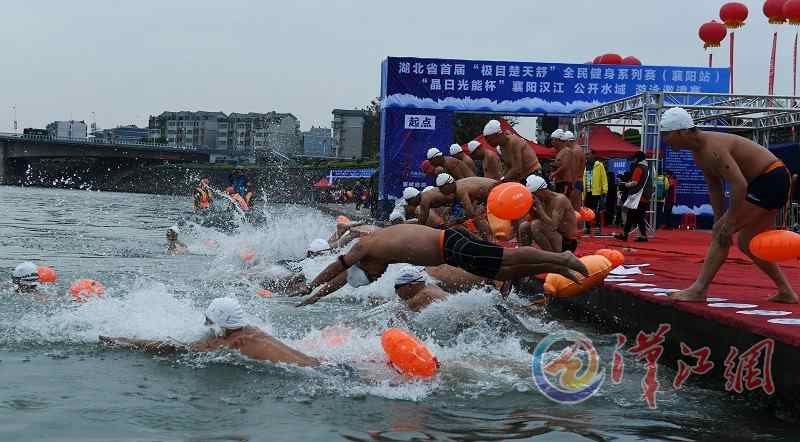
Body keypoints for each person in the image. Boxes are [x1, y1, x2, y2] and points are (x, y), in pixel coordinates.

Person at [659, 107, 797, 303]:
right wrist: (718, 219)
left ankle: (699, 290)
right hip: (770, 179)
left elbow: (739, 184)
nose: (665, 140)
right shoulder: (699, 152)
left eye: (667, 135)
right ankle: (786, 291)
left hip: (770, 179)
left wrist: (729, 221)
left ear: (682, 132)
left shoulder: (712, 148)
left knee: (723, 231)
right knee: (746, 242)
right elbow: (714, 187)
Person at [293, 224, 589, 306]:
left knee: (506, 259)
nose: (379, 276)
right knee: (503, 270)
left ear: (366, 268)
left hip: (449, 245)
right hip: (451, 247)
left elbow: (336, 268)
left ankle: (560, 258)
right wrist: (314, 298)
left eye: (373, 277)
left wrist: (309, 286)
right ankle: (557, 266)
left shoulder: (364, 248)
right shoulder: (373, 251)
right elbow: (342, 278)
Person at [100, 297, 320, 366]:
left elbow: (171, 347)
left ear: (220, 324)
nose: (206, 325)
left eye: (208, 321)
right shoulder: (253, 330)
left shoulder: (227, 344)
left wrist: (126, 341)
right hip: (319, 363)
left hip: (312, 375)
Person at [519, 175, 579, 253]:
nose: (533, 197)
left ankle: (553, 256)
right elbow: (532, 219)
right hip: (556, 237)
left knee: (536, 225)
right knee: (524, 226)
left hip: (567, 243)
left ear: (541, 191)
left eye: (533, 194)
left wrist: (539, 209)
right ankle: (526, 254)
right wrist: (531, 208)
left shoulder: (559, 200)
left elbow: (554, 225)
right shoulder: (541, 200)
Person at [436, 174, 497, 240]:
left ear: (447, 185)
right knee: (477, 214)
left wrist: (457, 221)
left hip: (496, 191)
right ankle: (489, 236)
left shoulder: (459, 190)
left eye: (442, 189)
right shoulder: (457, 186)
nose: (442, 192)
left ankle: (489, 238)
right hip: (494, 190)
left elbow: (471, 214)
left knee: (476, 218)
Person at [613, 151, 652, 242]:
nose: (633, 160)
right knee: (637, 216)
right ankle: (639, 236)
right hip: (644, 196)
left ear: (637, 158)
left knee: (632, 216)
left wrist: (625, 184)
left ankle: (628, 235)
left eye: (634, 158)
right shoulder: (647, 168)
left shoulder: (639, 168)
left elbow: (635, 182)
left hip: (638, 197)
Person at [583, 152, 608, 235]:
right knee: (587, 211)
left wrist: (604, 190)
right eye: (586, 155)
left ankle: (597, 227)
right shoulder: (584, 166)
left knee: (596, 210)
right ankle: (587, 227)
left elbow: (604, 178)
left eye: (588, 154)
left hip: (596, 192)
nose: (586, 156)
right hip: (587, 192)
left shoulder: (599, 165)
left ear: (593, 155)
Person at [549, 129, 574, 196]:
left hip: (565, 183)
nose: (552, 142)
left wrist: (553, 174)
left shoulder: (566, 151)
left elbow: (565, 166)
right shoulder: (560, 152)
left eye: (553, 140)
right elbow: (561, 165)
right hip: (560, 182)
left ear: (558, 140)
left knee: (562, 201)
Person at [566, 131, 586, 210]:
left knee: (573, 209)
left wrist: (572, 185)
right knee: (577, 209)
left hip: (575, 182)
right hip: (579, 182)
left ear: (568, 141)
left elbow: (574, 170)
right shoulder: (579, 150)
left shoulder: (575, 152)